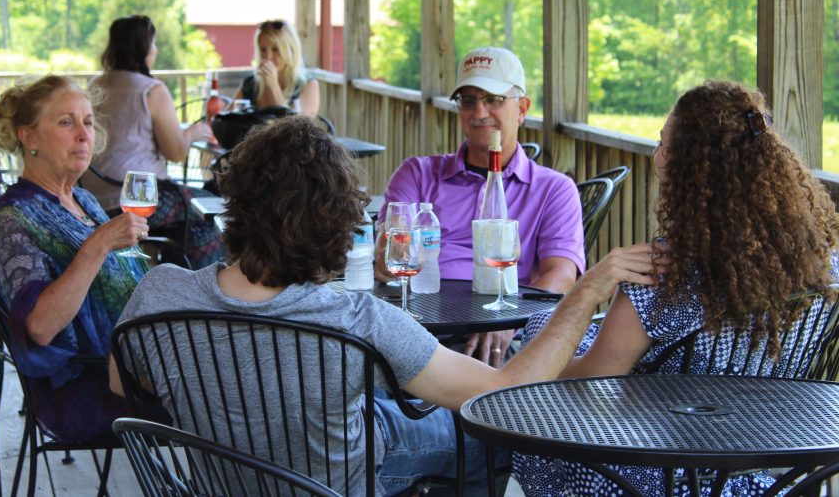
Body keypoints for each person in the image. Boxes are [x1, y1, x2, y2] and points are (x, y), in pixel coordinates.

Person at [112, 116, 660, 496]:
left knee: (378, 413)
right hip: (338, 486)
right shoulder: (356, 320)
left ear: (237, 205)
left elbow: (121, 384)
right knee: (482, 441)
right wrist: (587, 292)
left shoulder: (160, 292)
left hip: (217, 483)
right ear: (337, 222)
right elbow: (502, 396)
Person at [513, 80, 839, 497]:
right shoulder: (821, 264)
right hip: (768, 473)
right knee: (544, 321)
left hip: (659, 471)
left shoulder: (664, 274)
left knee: (537, 355)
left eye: (665, 145)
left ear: (690, 171)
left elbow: (587, 389)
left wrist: (537, 356)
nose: (657, 155)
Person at [378, 46, 584, 365]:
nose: (479, 112)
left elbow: (560, 276)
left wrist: (510, 322)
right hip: (413, 324)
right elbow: (387, 257)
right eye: (469, 101)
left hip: (492, 336)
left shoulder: (553, 189)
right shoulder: (417, 175)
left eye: (494, 99)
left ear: (523, 108)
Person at [0, 75, 152, 442]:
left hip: (138, 364)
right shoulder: (12, 220)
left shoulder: (82, 201)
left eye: (88, 122)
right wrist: (99, 243)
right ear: (29, 138)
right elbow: (40, 327)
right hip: (90, 389)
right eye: (66, 122)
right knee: (231, 393)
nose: (83, 134)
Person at [79, 14, 224, 268]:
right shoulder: (151, 90)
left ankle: (160, 276)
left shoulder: (95, 84)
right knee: (206, 213)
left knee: (195, 208)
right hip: (139, 198)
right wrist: (193, 132)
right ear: (143, 48)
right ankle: (190, 291)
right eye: (153, 44)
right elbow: (176, 152)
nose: (155, 50)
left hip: (94, 195)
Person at [236, 19, 320, 116]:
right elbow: (226, 121)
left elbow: (296, 128)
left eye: (276, 49)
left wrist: (273, 85)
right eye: (263, 50)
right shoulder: (251, 84)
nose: (268, 56)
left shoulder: (308, 85)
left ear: (291, 50)